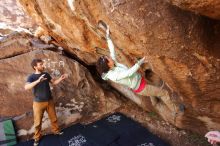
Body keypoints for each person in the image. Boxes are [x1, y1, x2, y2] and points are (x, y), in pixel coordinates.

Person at [96, 25, 169, 98]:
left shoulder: (113, 64)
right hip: (141, 88)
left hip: (141, 81)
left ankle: (155, 101)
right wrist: (139, 63)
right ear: (108, 65)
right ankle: (178, 109)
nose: (110, 57)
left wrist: (108, 37)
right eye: (108, 59)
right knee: (164, 94)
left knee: (153, 93)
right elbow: (128, 73)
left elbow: (112, 50)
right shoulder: (113, 76)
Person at [24, 59, 67, 146]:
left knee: (54, 118)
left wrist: (61, 78)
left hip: (49, 101)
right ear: (35, 67)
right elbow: (26, 87)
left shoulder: (46, 74)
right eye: (40, 64)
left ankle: (56, 131)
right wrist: (38, 81)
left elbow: (54, 82)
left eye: (42, 64)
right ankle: (37, 138)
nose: (43, 66)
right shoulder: (31, 77)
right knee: (38, 122)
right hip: (38, 103)